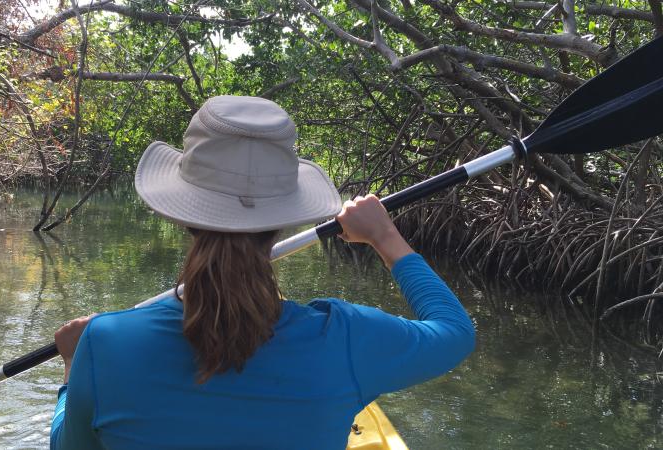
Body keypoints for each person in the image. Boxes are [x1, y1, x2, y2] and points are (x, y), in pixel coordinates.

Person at [50, 96, 475, 450]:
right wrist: (385, 237)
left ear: (182, 216)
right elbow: (455, 332)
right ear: (286, 220)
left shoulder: (104, 344)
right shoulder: (346, 340)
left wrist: (73, 367)